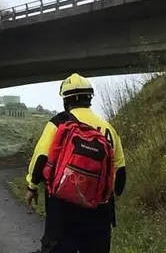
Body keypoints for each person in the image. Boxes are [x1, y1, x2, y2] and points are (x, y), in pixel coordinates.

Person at [25, 73, 127, 253]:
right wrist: (111, 195)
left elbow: (40, 157)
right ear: (90, 98)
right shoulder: (108, 128)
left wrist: (32, 186)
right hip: (99, 207)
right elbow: (120, 173)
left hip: (63, 206)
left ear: (66, 100)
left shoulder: (58, 124)